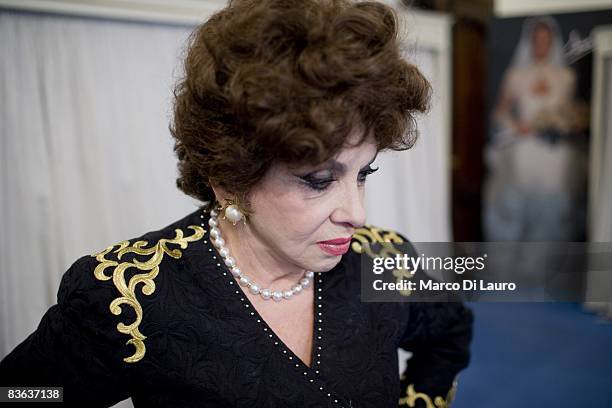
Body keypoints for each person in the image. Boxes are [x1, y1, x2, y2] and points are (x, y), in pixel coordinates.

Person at [0, 1, 473, 406]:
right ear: (230, 178)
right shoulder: (130, 299)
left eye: (363, 174)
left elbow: (448, 337)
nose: (357, 214)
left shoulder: (385, 262)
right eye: (318, 180)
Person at [484, 16, 589, 241]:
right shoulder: (516, 75)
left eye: (546, 39)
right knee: (519, 199)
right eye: (537, 39)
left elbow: (570, 113)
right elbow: (500, 111)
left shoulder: (566, 77)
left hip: (555, 148)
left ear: (553, 41)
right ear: (530, 42)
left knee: (556, 202)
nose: (541, 44)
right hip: (525, 145)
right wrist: (516, 126)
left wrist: (567, 123)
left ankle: (549, 262)